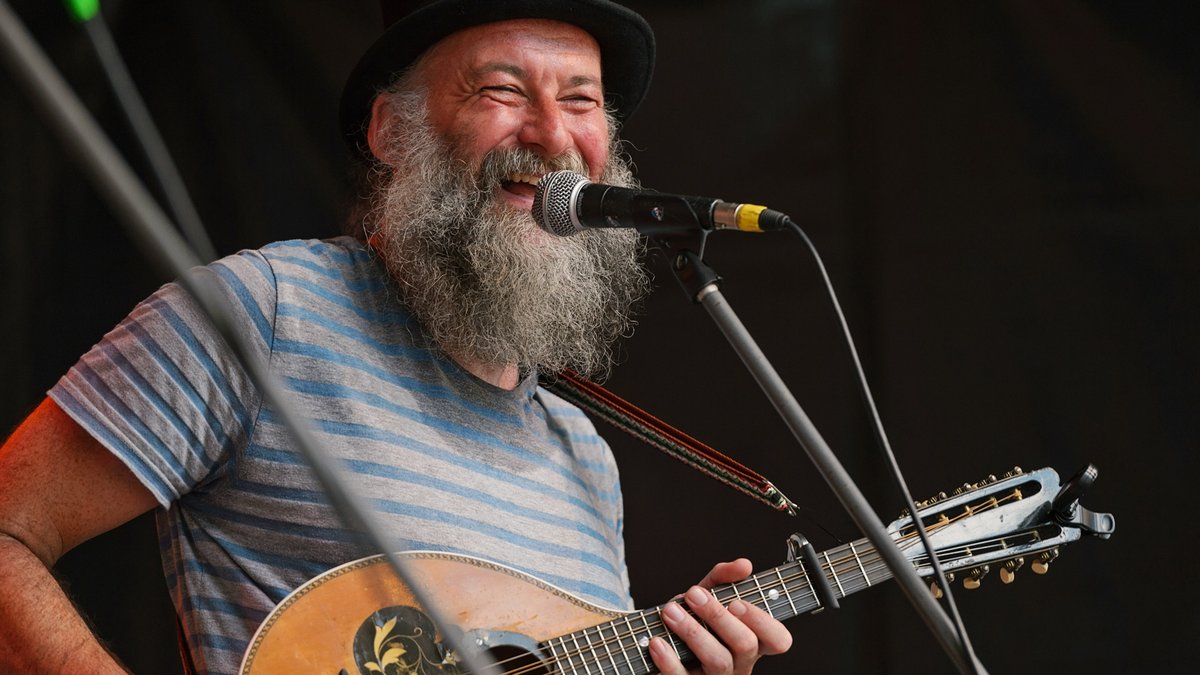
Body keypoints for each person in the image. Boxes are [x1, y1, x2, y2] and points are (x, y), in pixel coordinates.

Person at [0, 1, 793, 673]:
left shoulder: (583, 455)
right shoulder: (264, 313)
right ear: (392, 130)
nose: (552, 134)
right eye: (501, 89)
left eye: (581, 99)